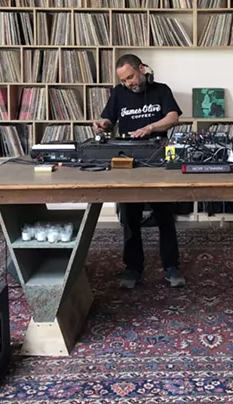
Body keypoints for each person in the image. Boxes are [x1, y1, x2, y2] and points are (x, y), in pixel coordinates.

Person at [93, 54, 185, 289]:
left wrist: (150, 128)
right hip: (127, 161)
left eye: (131, 77)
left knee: (165, 216)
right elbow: (109, 121)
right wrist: (103, 124)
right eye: (124, 80)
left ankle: (171, 266)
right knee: (130, 217)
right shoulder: (118, 93)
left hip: (157, 157)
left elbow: (173, 118)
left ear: (142, 69)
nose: (129, 83)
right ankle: (133, 268)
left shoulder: (161, 90)